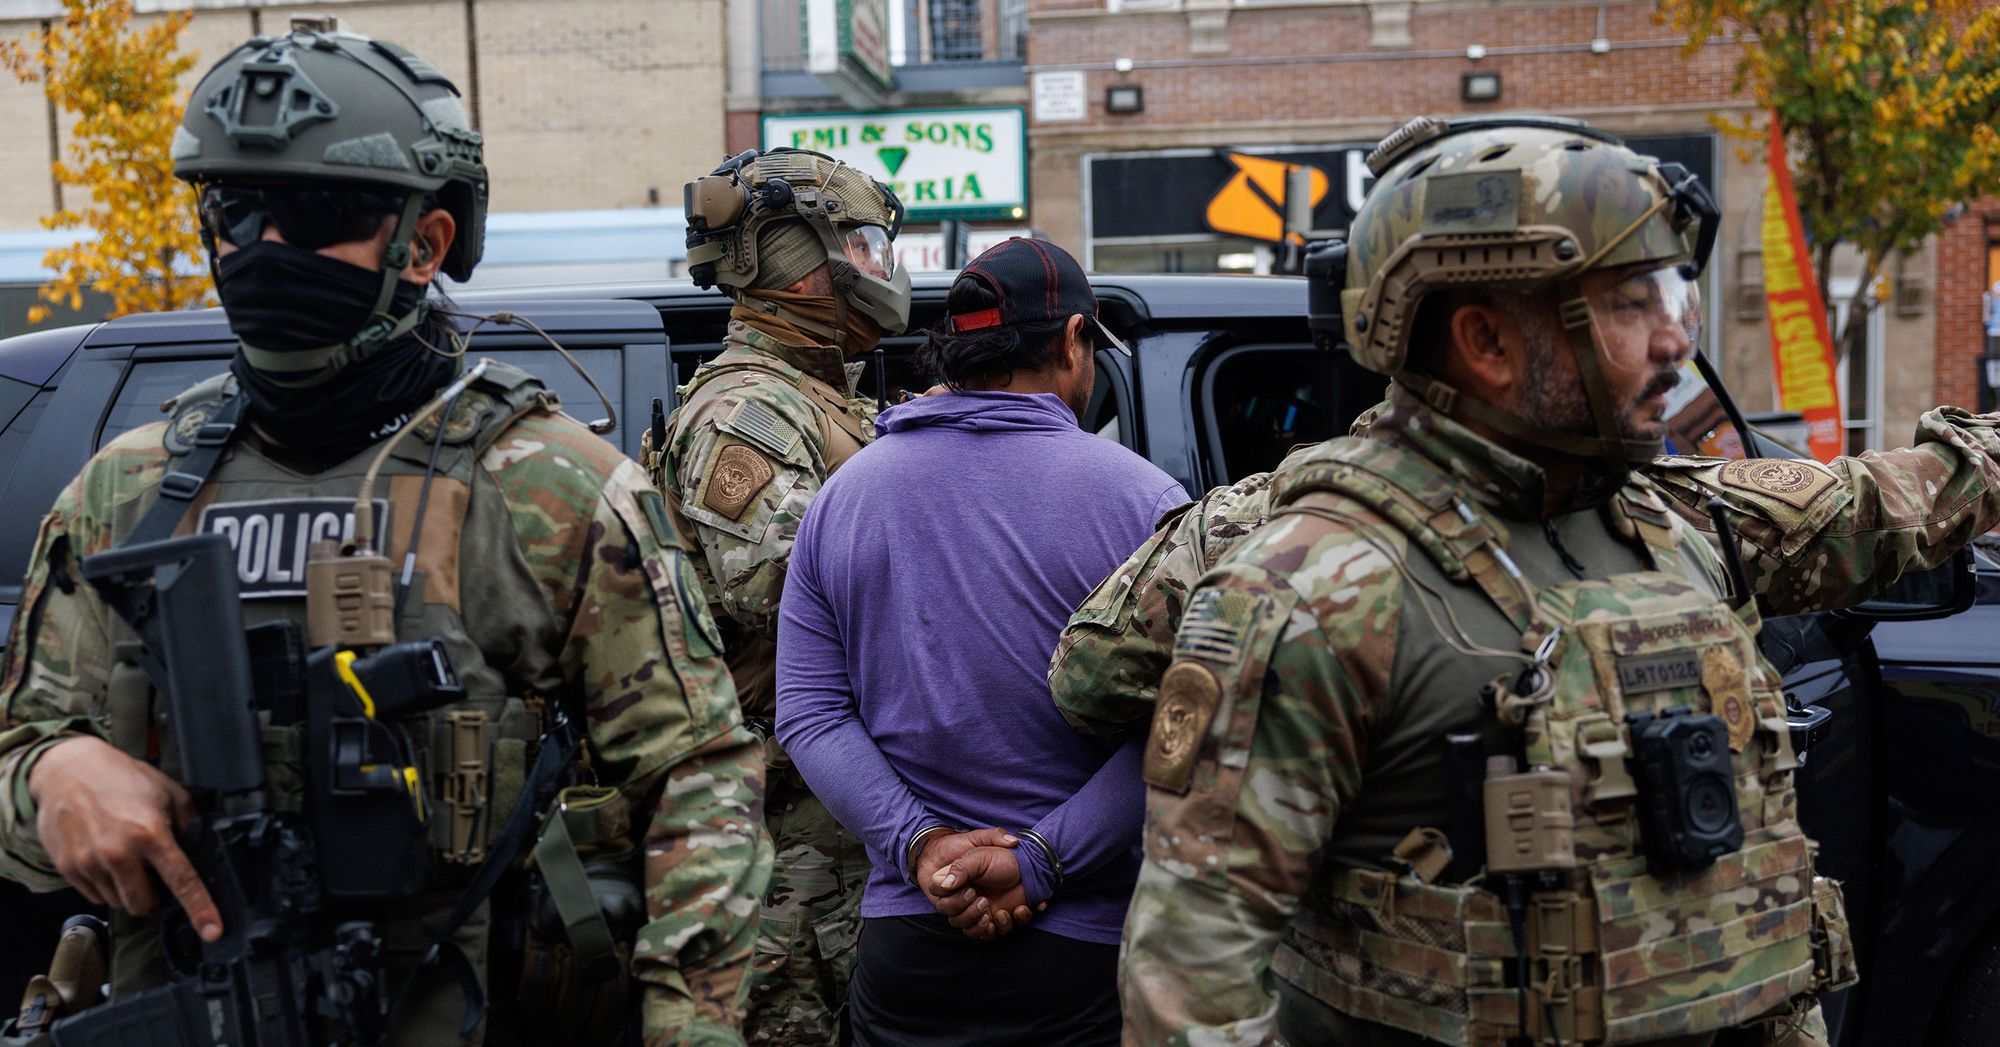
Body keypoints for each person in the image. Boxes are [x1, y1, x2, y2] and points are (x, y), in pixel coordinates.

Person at [1110, 115, 2000, 1047]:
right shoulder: (1311, 589)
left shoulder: (1669, 523)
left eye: (1670, 298)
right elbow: (1189, 987)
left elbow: (1874, 508)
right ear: (1487, 340)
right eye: (1628, 305)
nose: (1671, 342)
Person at [0, 23, 769, 1045]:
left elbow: (701, 779)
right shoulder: (126, 490)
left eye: (318, 212)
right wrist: (50, 777)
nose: (265, 247)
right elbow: (19, 757)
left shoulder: (548, 488)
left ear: (427, 242)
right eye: (234, 207)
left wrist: (692, 1030)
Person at [774, 237, 1187, 1046]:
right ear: (1074, 341)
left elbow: (811, 714)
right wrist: (1037, 861)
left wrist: (924, 847)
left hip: (911, 938)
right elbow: (1187, 727)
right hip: (1087, 945)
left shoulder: (845, 495)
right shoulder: (1144, 501)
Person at [656, 146, 908, 1045]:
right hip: (787, 843)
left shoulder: (821, 400)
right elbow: (785, 586)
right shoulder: (748, 412)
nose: (878, 269)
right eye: (863, 247)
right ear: (798, 267)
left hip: (832, 823)